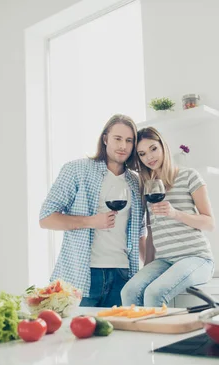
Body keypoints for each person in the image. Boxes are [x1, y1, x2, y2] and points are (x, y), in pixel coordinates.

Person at [39, 114, 146, 307]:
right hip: (83, 275)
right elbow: (46, 218)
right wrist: (90, 221)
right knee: (77, 335)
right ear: (105, 139)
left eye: (129, 141)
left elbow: (140, 233)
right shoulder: (77, 170)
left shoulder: (136, 181)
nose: (123, 146)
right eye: (118, 138)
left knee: (118, 336)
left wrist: (149, 273)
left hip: (123, 276)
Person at [121, 127, 215, 307]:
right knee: (129, 291)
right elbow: (150, 231)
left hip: (196, 257)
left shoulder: (189, 176)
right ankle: (138, 335)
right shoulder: (147, 186)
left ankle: (156, 336)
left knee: (155, 293)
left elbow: (209, 223)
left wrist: (175, 213)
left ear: (163, 146)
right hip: (164, 260)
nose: (149, 157)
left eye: (153, 149)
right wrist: (147, 267)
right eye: (142, 154)